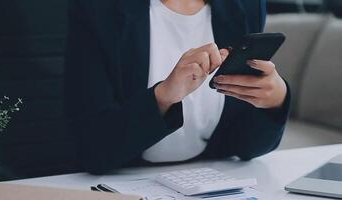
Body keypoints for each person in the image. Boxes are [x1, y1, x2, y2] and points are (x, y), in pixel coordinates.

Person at [65, 0, 290, 175]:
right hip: (122, 184)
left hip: (211, 183)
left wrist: (276, 101)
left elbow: (245, 148)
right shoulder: (97, 8)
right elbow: (92, 151)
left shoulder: (245, 5)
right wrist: (163, 96)